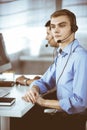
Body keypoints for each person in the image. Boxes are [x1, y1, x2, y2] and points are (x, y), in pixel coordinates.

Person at [22, 9, 87, 130]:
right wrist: (34, 89)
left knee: (21, 122)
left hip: (73, 120)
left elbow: (79, 103)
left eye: (62, 25)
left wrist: (44, 102)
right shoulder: (61, 55)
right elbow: (45, 81)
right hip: (62, 114)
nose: (55, 30)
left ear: (73, 28)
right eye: (53, 27)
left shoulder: (81, 57)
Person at [15, 20, 58, 86]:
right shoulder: (60, 54)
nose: (46, 37)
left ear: (56, 34)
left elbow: (50, 85)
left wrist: (26, 81)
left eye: (48, 33)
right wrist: (40, 80)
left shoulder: (68, 56)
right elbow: (49, 80)